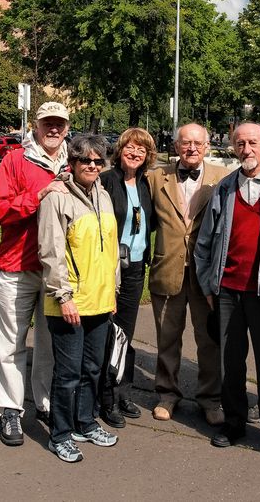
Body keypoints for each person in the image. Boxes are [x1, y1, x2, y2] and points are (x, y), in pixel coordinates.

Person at [195, 122, 260, 458]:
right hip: (228, 290)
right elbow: (205, 243)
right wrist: (209, 284)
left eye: (253, 142)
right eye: (240, 143)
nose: (246, 149)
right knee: (230, 362)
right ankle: (234, 422)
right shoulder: (225, 189)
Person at [0, 101, 70, 446]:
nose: (53, 129)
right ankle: (9, 410)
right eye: (47, 123)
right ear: (36, 126)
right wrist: (37, 195)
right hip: (16, 265)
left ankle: (46, 403)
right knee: (10, 343)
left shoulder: (76, 161)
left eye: (59, 124)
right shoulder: (15, 160)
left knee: (50, 345)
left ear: (67, 127)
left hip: (58, 272)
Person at [38, 134, 119, 463]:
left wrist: (111, 291)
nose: (92, 166)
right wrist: (63, 296)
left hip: (100, 301)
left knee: (92, 369)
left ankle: (85, 423)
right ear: (72, 162)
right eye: (86, 160)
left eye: (98, 161)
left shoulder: (103, 194)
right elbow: (50, 250)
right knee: (68, 374)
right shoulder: (57, 197)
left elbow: (111, 248)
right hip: (68, 302)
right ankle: (60, 434)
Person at [148, 123, 229, 425]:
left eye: (197, 143)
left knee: (208, 341)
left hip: (205, 276)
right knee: (167, 339)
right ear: (176, 145)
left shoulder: (223, 178)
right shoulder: (156, 177)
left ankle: (210, 399)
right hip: (166, 270)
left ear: (207, 146)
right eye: (186, 143)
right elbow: (122, 186)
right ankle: (167, 395)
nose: (191, 148)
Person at [98, 127, 156, 428]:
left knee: (126, 334)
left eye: (141, 150)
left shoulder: (146, 184)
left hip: (135, 268)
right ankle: (105, 397)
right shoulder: (106, 181)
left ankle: (122, 392)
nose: (135, 153)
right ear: (120, 151)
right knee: (109, 333)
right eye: (130, 148)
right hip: (109, 268)